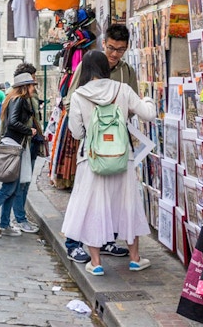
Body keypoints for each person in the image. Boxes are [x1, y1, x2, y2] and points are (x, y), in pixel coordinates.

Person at [61, 50, 156, 275]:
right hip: (122, 157)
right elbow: (148, 114)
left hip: (92, 160)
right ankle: (135, 259)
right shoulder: (123, 89)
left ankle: (96, 263)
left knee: (94, 208)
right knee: (128, 205)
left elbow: (77, 133)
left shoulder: (79, 95)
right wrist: (148, 99)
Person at [62, 25, 137, 263]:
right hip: (91, 143)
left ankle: (106, 240)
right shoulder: (88, 65)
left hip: (116, 143)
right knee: (85, 194)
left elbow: (132, 106)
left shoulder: (127, 72)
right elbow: (70, 99)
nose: (115, 54)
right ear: (104, 43)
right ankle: (73, 243)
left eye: (120, 50)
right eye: (111, 48)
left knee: (113, 195)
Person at [0, 72, 43, 241]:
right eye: (31, 85)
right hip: (14, 145)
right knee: (8, 188)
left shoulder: (14, 99)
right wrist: (29, 130)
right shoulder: (19, 100)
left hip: (15, 144)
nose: (33, 88)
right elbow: (13, 122)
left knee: (12, 188)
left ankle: (4, 224)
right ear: (25, 87)